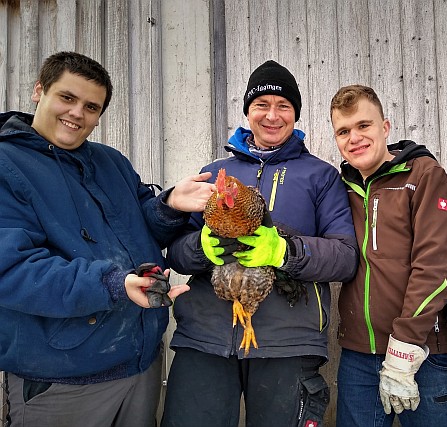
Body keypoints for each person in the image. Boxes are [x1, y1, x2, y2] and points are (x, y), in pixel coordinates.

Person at [0, 51, 215, 427]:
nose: (77, 113)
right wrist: (113, 284)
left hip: (140, 361)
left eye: (91, 106)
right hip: (63, 375)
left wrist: (169, 206)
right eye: (67, 98)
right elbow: (13, 270)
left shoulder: (110, 161)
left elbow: (144, 225)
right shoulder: (7, 164)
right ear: (39, 91)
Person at [161, 60, 358, 427]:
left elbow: (346, 258)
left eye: (283, 106)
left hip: (287, 342)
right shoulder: (215, 172)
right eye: (261, 105)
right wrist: (200, 248)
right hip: (205, 337)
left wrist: (285, 252)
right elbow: (176, 251)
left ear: (295, 113)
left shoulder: (321, 176)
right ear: (247, 112)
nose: (272, 115)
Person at [329, 84, 447, 427]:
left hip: (422, 353)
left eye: (364, 126)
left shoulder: (422, 175)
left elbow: (436, 264)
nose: (355, 138)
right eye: (343, 131)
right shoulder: (338, 188)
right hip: (358, 356)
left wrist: (404, 345)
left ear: (385, 127)